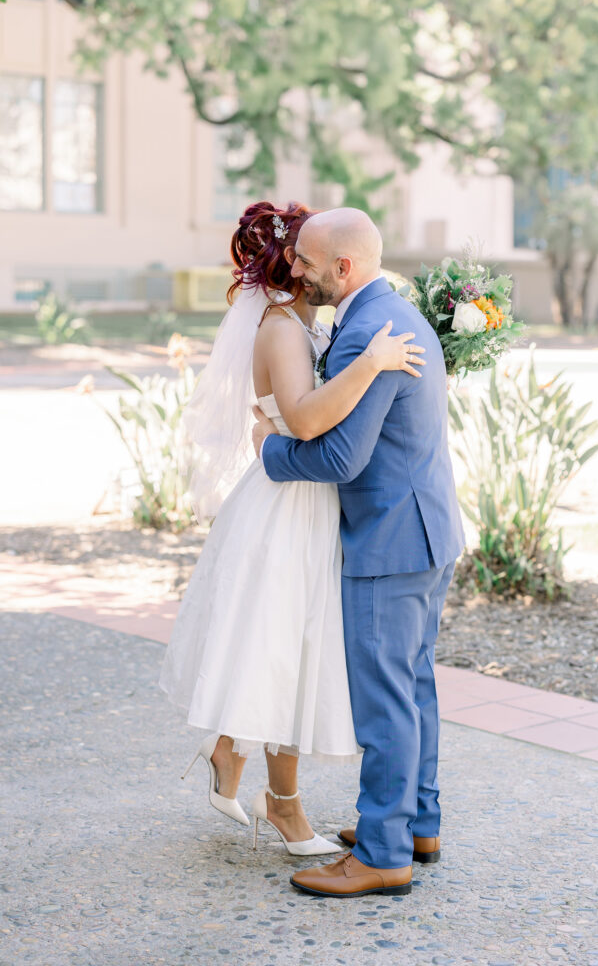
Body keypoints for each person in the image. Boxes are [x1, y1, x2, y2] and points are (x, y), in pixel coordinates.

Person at [159, 200, 425, 857]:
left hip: (307, 500)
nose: (308, 264)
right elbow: (304, 421)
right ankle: (280, 802)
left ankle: (229, 752)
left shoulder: (308, 321)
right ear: (289, 265)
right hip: (288, 505)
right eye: (300, 253)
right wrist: (372, 364)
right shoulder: (280, 329)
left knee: (289, 649)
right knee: (284, 649)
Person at [252, 207, 465, 897]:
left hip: (388, 539)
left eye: (308, 261)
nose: (297, 269)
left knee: (384, 701)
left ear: (343, 268)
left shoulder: (365, 331)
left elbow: (340, 456)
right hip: (425, 530)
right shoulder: (392, 311)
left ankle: (381, 854)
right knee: (413, 686)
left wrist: (269, 450)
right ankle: (415, 823)